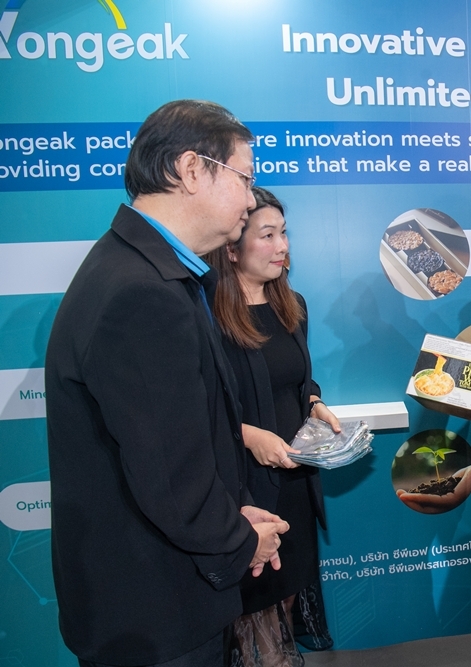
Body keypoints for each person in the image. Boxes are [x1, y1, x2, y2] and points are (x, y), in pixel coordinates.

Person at [45, 100, 289, 667]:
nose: (249, 199)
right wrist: (240, 541)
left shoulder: (146, 270)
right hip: (154, 616)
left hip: (154, 600)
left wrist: (234, 513)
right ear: (191, 169)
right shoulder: (141, 292)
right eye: (244, 178)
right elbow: (170, 477)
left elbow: (185, 437)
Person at [204, 187, 338, 666]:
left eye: (284, 233)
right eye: (267, 235)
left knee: (286, 604)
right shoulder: (204, 315)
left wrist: (315, 403)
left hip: (295, 484)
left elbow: (297, 379)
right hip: (242, 491)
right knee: (251, 619)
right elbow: (195, 407)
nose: (282, 246)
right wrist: (247, 435)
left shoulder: (291, 304)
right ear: (231, 248)